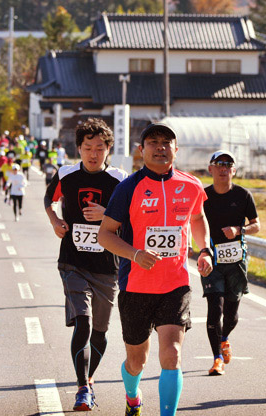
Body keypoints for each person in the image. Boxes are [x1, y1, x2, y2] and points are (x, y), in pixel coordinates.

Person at [98, 122, 214, 416]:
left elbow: (198, 218)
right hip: (136, 286)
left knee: (172, 355)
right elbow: (105, 234)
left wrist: (205, 249)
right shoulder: (128, 188)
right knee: (137, 361)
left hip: (175, 283)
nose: (160, 147)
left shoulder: (191, 185)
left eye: (166, 142)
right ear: (141, 150)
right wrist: (135, 254)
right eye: (153, 142)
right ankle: (132, 395)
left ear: (177, 149)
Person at [44, 118, 127, 411]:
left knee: (101, 332)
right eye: (88, 147)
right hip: (73, 261)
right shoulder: (66, 174)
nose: (93, 154)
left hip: (107, 266)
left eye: (100, 148)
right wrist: (55, 221)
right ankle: (81, 387)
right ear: (78, 148)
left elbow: (131, 220)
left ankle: (89, 380)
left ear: (108, 149)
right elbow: (48, 199)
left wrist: (107, 215)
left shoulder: (119, 180)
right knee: (84, 322)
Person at [200, 150, 260, 376]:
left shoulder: (243, 195)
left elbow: (257, 224)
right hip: (211, 259)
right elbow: (192, 221)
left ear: (234, 170)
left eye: (228, 164)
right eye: (219, 164)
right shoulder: (203, 196)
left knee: (232, 315)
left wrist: (239, 229)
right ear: (211, 169)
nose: (223, 168)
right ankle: (216, 358)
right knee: (215, 308)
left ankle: (224, 339)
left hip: (236, 261)